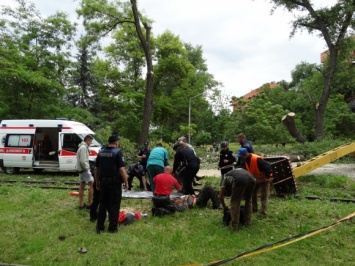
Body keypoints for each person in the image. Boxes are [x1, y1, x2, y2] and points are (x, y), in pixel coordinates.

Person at [95, 135, 128, 233]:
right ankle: (112, 228)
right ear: (116, 142)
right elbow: (122, 169)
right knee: (114, 205)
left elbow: (96, 168)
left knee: (103, 204)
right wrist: (126, 181)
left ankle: (100, 226)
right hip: (114, 183)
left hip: (103, 181)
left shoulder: (101, 153)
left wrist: (97, 181)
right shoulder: (117, 152)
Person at [236, 148, 273, 216]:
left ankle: (263, 212)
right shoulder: (246, 160)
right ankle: (254, 208)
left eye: (241, 156)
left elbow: (268, 167)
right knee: (252, 193)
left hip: (264, 180)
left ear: (246, 154)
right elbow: (244, 167)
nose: (240, 157)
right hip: (255, 180)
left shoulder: (256, 159)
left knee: (263, 196)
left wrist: (267, 177)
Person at [75, 134, 94, 210]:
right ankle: (89, 204)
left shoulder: (81, 146)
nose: (90, 143)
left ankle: (81, 205)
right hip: (84, 169)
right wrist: (87, 168)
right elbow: (83, 161)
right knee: (92, 184)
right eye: (90, 141)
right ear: (87, 140)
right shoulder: (83, 147)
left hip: (80, 169)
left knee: (82, 185)